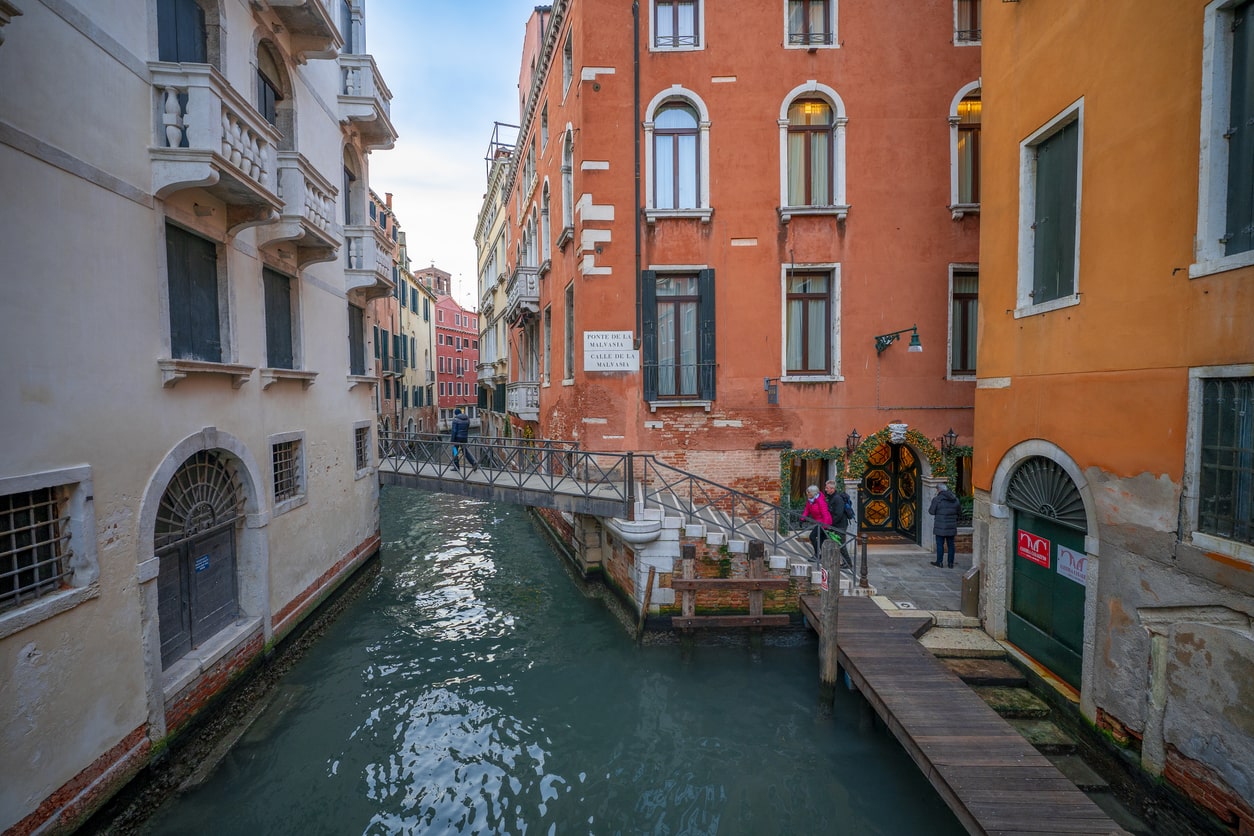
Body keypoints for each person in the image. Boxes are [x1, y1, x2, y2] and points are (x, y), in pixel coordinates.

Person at [823, 480, 854, 568]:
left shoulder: (837, 499)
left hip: (840, 525)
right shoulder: (832, 497)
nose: (826, 490)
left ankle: (848, 563)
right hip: (836, 525)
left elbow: (838, 514)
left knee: (841, 544)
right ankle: (835, 560)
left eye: (827, 488)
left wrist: (831, 524)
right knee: (837, 543)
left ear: (832, 489)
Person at [928, 485, 961, 567]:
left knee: (940, 544)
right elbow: (959, 512)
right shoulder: (955, 499)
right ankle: (950, 563)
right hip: (951, 526)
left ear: (939, 490)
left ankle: (939, 562)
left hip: (940, 526)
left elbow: (931, 511)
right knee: (951, 545)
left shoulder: (937, 500)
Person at [801, 484, 832, 561]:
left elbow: (825, 514)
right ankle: (825, 556)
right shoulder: (810, 501)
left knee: (812, 536)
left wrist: (825, 526)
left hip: (823, 523)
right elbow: (807, 510)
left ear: (813, 493)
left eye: (809, 493)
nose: (807, 494)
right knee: (822, 540)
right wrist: (802, 519)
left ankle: (817, 555)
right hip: (818, 523)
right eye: (807, 492)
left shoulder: (820, 501)